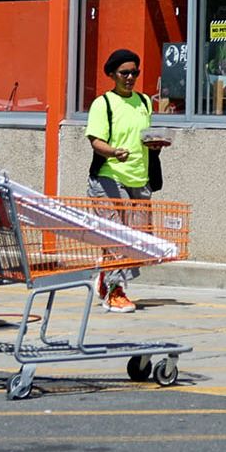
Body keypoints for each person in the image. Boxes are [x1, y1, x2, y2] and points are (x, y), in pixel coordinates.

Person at [84, 48, 165, 313]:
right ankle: (115, 291)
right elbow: (96, 141)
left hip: (139, 178)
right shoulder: (103, 103)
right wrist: (114, 152)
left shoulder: (143, 102)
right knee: (116, 237)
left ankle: (106, 280)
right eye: (124, 73)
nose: (130, 77)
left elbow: (144, 136)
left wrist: (155, 145)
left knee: (136, 240)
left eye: (134, 72)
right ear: (112, 74)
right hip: (109, 176)